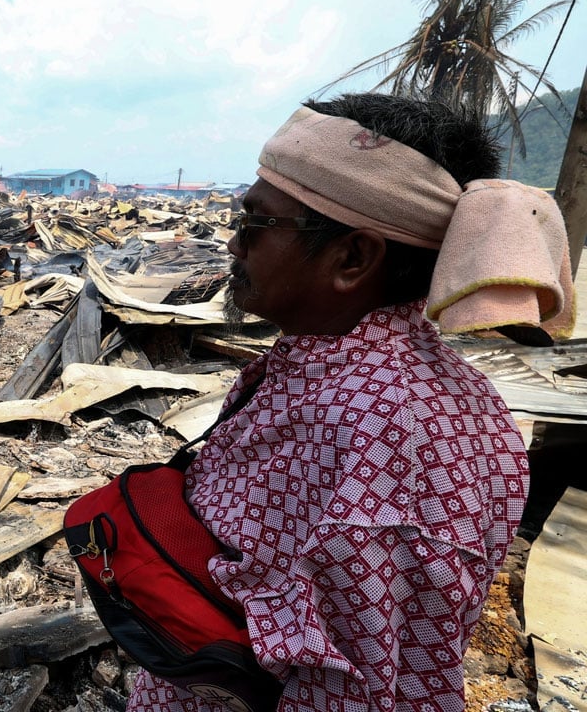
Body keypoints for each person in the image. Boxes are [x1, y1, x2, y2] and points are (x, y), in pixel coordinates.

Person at [127, 93, 575, 712]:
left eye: (255, 224)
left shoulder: (382, 430)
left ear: (353, 256)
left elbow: (359, 684)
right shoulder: (342, 373)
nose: (234, 246)